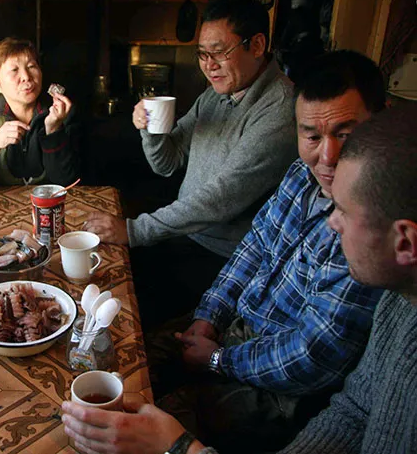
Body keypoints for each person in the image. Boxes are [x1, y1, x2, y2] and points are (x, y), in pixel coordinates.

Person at [62, 50, 388, 454]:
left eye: (345, 133)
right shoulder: (299, 174)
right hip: (233, 330)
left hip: (278, 389)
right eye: (312, 136)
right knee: (118, 363)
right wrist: (208, 316)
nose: (327, 157)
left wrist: (219, 361)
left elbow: (312, 357)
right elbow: (252, 248)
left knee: (131, 423)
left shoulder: (372, 228)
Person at [83, 0, 297, 322]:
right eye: (202, 53)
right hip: (186, 237)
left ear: (256, 45)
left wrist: (134, 230)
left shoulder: (278, 112)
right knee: (101, 272)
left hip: (223, 258)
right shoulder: (215, 95)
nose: (208, 64)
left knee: (125, 312)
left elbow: (220, 200)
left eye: (219, 52)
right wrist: (151, 129)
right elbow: (166, 163)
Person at [0, 37, 80, 192]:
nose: (26, 77)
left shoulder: (61, 111)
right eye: (14, 70)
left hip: (48, 207)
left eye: (31, 66)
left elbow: (66, 182)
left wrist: (53, 130)